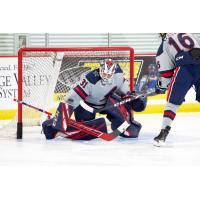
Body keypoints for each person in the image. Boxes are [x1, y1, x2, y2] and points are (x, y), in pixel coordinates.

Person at [42, 59, 147, 140]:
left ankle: (121, 124)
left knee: (132, 131)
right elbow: (71, 99)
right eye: (103, 73)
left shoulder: (118, 75)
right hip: (87, 107)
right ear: (100, 69)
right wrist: (60, 120)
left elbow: (125, 92)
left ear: (113, 73)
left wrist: (133, 99)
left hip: (107, 103)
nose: (105, 77)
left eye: (108, 74)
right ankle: (57, 130)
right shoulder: (90, 79)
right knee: (87, 134)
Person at [154, 33, 200, 146]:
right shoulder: (189, 33)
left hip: (185, 69)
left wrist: (161, 86)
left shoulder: (164, 44)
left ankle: (163, 134)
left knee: (172, 103)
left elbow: (166, 74)